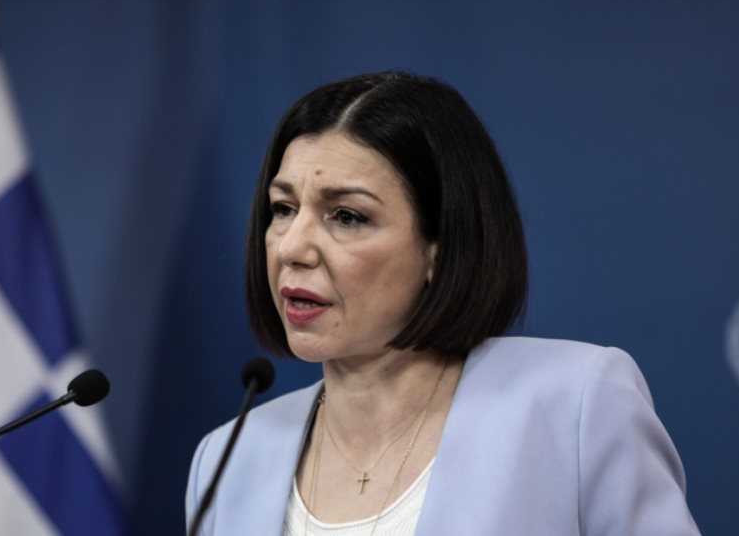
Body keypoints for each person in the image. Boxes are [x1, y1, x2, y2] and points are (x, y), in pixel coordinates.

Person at [186, 72, 700, 535]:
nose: (291, 248)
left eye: (346, 216)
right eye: (283, 209)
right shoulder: (227, 459)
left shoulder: (575, 406)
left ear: (440, 246)